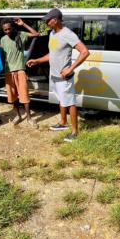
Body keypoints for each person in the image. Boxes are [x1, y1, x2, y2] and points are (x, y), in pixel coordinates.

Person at [27, 9, 90, 142]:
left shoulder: (68, 34)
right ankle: (62, 122)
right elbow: (52, 54)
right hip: (54, 74)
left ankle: (75, 132)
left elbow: (84, 52)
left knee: (70, 102)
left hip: (64, 77)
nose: (46, 23)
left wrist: (70, 68)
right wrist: (37, 60)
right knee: (62, 99)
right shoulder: (52, 34)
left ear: (55, 20)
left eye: (48, 20)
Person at [0, 18, 39, 128]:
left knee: (24, 95)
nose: (8, 31)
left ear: (13, 27)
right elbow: (3, 55)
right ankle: (18, 115)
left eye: (9, 29)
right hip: (8, 72)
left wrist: (23, 24)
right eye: (5, 30)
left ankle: (29, 118)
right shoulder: (3, 40)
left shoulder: (20, 35)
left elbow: (36, 34)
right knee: (13, 96)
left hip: (20, 70)